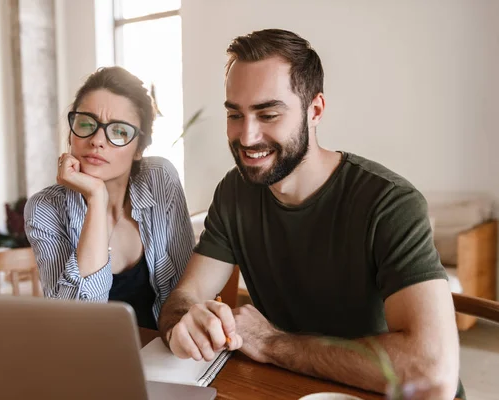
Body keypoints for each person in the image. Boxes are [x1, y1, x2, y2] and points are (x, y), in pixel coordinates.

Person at [158, 29, 463, 399]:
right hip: (292, 387)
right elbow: (184, 296)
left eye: (268, 113)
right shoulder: (235, 192)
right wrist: (182, 324)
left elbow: (433, 373)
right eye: (235, 115)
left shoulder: (390, 203)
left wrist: (273, 343)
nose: (247, 136)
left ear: (315, 110)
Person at [24, 66, 195, 330]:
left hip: (166, 353)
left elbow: (187, 289)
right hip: (90, 358)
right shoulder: (45, 209)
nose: (97, 140)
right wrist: (95, 199)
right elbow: (74, 322)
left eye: (118, 131)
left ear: (139, 148)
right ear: (71, 132)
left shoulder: (160, 179)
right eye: (86, 124)